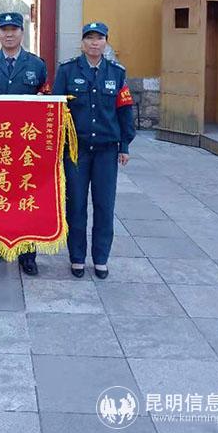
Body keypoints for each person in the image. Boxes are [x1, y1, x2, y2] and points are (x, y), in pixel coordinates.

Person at [53, 21, 135, 280]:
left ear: (106, 42)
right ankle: (77, 258)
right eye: (89, 38)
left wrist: (125, 145)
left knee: (104, 205)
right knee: (75, 205)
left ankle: (101, 258)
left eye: (99, 38)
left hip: (106, 151)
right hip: (75, 151)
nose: (94, 43)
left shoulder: (116, 74)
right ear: (82, 43)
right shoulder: (67, 71)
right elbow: (56, 111)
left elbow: (124, 111)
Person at [0, 11, 48, 276]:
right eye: (4, 29)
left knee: (26, 197)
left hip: (26, 146)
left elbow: (47, 104)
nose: (8, 34)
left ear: (22, 33)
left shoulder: (37, 65)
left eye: (14, 29)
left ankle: (27, 252)